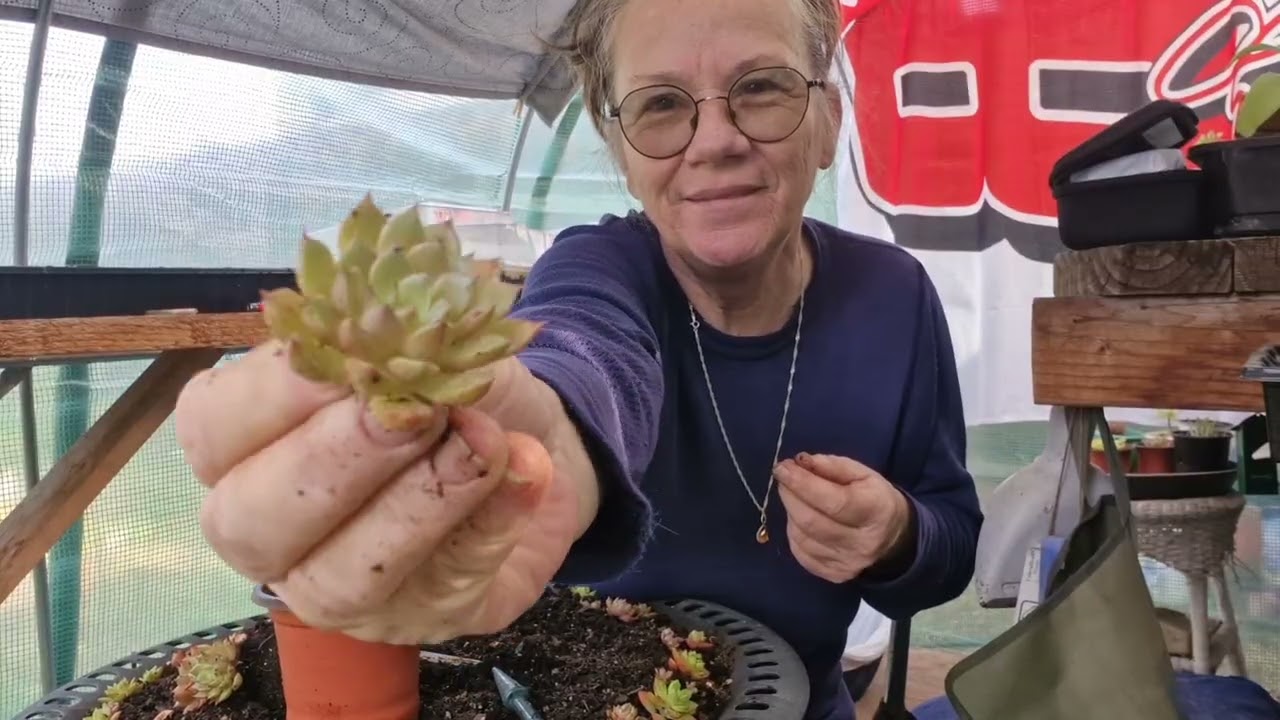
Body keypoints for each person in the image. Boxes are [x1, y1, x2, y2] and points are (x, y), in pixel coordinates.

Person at [173, 0, 984, 717]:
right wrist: (548, 442)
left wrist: (898, 536)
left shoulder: (894, 295)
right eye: (662, 105)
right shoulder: (597, 268)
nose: (716, 141)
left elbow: (949, 543)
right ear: (619, 144)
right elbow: (580, 353)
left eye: (762, 87)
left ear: (829, 119)